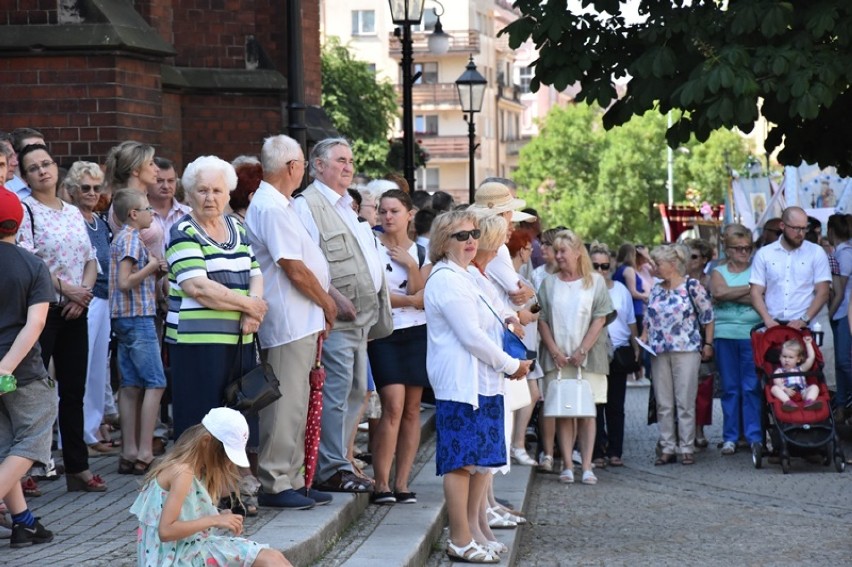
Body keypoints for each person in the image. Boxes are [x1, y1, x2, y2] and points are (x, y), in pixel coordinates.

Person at [425, 210, 530, 563]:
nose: (471, 240)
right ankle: (459, 538)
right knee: (461, 463)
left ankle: (473, 531)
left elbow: (496, 312)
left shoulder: (468, 275)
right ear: (443, 241)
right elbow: (470, 336)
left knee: (479, 462)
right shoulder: (446, 279)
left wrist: (510, 321)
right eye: (461, 236)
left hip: (484, 381)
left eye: (473, 234)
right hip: (461, 383)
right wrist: (511, 364)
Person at [243, 135, 337, 510]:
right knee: (284, 405)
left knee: (299, 402)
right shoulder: (271, 207)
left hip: (302, 318)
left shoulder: (281, 204)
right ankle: (275, 479)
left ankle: (294, 477)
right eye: (301, 164)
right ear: (292, 167)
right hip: (288, 320)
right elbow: (293, 268)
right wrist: (327, 303)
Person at [293, 138, 386, 494]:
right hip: (337, 318)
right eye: (340, 161)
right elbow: (305, 261)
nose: (348, 167)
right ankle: (329, 467)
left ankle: (340, 460)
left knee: (354, 392)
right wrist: (332, 299)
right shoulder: (309, 204)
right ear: (317, 165)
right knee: (335, 392)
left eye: (350, 160)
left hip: (360, 320)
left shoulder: (347, 204)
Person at [17, 144, 105, 492]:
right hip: (44, 311)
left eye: (47, 164)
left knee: (74, 390)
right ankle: (24, 470)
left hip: (75, 310)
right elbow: (31, 262)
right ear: (25, 177)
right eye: (34, 168)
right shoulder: (28, 211)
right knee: (34, 391)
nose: (42, 171)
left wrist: (82, 295)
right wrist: (67, 290)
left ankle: (77, 467)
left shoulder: (71, 211)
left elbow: (91, 257)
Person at [165, 155, 267, 440]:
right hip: (197, 344)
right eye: (203, 190)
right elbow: (198, 287)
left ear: (228, 194)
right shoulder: (183, 232)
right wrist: (251, 305)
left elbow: (256, 273)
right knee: (200, 425)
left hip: (239, 340)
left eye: (217, 190)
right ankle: (194, 483)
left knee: (235, 422)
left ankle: (229, 481)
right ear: (189, 193)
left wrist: (251, 313)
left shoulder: (238, 228)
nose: (210, 197)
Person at [130, 407, 291, 566]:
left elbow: (188, 514)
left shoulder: (197, 468)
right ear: (206, 442)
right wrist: (214, 520)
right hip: (174, 558)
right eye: (225, 455)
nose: (228, 463)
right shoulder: (182, 472)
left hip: (189, 548)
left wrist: (221, 515)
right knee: (269, 560)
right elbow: (166, 531)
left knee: (274, 557)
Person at [0, 188, 57, 548]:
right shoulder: (33, 265)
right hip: (21, 373)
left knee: (8, 449)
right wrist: (4, 367)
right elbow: (34, 324)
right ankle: (23, 522)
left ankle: (24, 523)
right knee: (32, 440)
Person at [538, 230, 614, 484]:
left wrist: (583, 350)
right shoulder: (549, 283)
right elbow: (542, 319)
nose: (558, 256)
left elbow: (600, 317)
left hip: (588, 358)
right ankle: (568, 465)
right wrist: (554, 351)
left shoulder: (595, 281)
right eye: (556, 251)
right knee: (564, 411)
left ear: (577, 252)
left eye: (562, 251)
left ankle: (588, 465)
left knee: (587, 412)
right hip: (558, 358)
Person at [367, 189, 428, 505]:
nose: (387, 217)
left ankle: (402, 482)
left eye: (394, 211)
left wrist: (411, 265)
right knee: (392, 405)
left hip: (416, 335)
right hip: (385, 333)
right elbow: (377, 295)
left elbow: (424, 296)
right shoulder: (371, 246)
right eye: (383, 211)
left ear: (409, 214)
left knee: (412, 410)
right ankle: (381, 482)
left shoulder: (421, 251)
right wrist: (410, 300)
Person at [109, 189, 169, 475]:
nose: (151, 213)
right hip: (138, 318)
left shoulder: (121, 238)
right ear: (133, 214)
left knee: (131, 384)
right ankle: (145, 452)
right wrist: (152, 266)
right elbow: (124, 281)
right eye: (147, 209)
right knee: (155, 383)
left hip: (123, 319)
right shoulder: (132, 239)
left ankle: (128, 451)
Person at [62, 161, 118, 455]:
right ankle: (78, 434)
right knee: (79, 369)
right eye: (85, 188)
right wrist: (81, 294)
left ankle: (92, 429)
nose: (92, 193)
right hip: (84, 298)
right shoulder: (71, 218)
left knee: (99, 368)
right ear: (72, 190)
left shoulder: (101, 220)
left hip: (105, 298)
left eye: (97, 188)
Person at [643, 244, 714, 466]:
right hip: (659, 350)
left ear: (672, 265)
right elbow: (649, 318)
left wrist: (708, 343)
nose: (654, 268)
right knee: (664, 401)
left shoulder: (692, 286)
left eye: (658, 264)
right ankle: (667, 446)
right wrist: (645, 336)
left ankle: (686, 446)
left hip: (686, 349)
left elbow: (708, 316)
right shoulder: (656, 288)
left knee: (685, 400)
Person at [710, 225, 763, 456]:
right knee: (730, 388)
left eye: (748, 248)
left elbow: (761, 299)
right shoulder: (718, 271)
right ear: (728, 250)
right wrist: (751, 291)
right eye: (739, 248)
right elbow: (718, 293)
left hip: (751, 335)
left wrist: (740, 293)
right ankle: (730, 437)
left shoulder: (757, 270)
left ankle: (754, 436)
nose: (744, 252)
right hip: (724, 336)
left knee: (751, 387)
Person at [590, 242, 637, 468]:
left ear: (612, 265)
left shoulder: (620, 289)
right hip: (594, 352)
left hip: (617, 351)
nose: (600, 270)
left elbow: (631, 321)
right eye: (595, 266)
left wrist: (635, 347)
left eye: (605, 266)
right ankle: (597, 449)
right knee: (596, 403)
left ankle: (615, 450)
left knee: (616, 405)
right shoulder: (586, 288)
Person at [750, 207, 831, 331]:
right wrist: (768, 320)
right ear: (782, 225)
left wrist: (804, 319)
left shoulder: (816, 252)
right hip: (773, 325)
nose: (800, 233)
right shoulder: (764, 253)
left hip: (806, 327)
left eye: (804, 228)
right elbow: (756, 292)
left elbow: (823, 292)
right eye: (796, 228)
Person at [685, 238, 714, 448]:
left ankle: (699, 429)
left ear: (704, 259)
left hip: (704, 336)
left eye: (694, 256)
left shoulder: (710, 280)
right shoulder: (679, 280)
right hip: (683, 339)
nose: (690, 260)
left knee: (703, 387)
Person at [827, 214, 852, 416]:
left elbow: (840, 291)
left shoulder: (844, 254)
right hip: (841, 313)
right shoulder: (840, 253)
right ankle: (842, 406)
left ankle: (845, 403)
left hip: (844, 313)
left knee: (843, 361)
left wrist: (830, 313)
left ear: (830, 231)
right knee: (839, 363)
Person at [770, 337, 820, 411]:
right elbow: (777, 382)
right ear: (780, 357)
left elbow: (811, 358)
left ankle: (809, 401)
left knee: (815, 387)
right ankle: (788, 403)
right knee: (774, 388)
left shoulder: (801, 369)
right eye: (784, 356)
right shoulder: (779, 371)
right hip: (787, 393)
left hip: (802, 392)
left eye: (791, 357)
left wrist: (808, 344)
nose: (786, 360)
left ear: (798, 359)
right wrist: (784, 389)